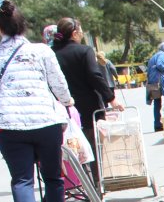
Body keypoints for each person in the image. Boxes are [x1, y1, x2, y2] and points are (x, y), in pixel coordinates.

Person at [0, 0, 75, 202]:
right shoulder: (42, 51)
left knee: (22, 181)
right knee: (53, 177)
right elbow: (58, 83)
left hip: (9, 124)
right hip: (46, 120)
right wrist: (67, 102)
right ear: (23, 26)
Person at [51, 17, 123, 179]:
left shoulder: (52, 54)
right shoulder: (84, 51)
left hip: (61, 110)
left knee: (70, 146)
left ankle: (79, 181)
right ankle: (97, 185)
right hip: (88, 108)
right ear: (74, 33)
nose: (83, 34)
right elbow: (95, 76)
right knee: (93, 146)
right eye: (81, 31)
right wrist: (111, 98)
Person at [146, 42, 164, 132]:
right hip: (159, 79)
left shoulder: (154, 56)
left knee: (157, 102)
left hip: (152, 81)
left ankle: (157, 125)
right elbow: (159, 65)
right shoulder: (163, 54)